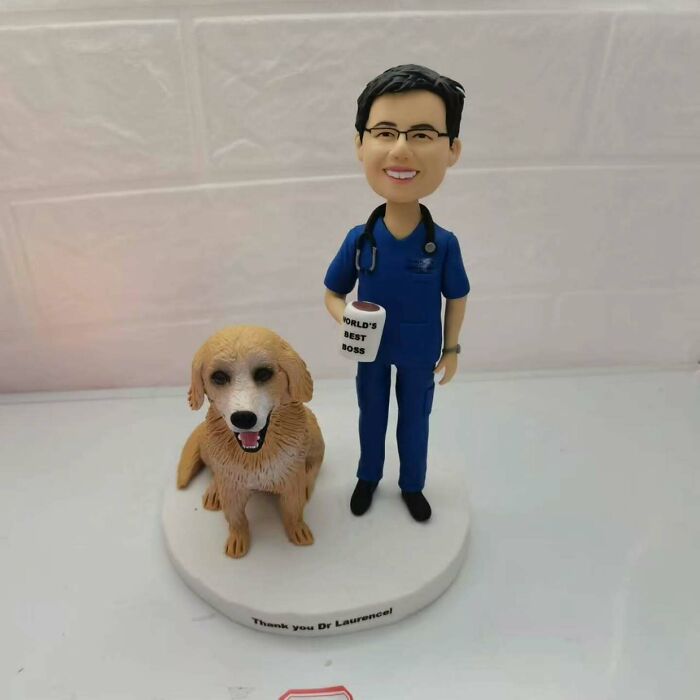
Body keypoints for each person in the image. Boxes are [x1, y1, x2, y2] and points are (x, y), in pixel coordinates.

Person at [324, 65, 470, 522]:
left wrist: (451, 349)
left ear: (452, 149)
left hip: (420, 351)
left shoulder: (443, 244)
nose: (402, 149)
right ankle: (368, 476)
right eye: (385, 132)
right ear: (360, 143)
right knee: (371, 414)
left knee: (415, 420)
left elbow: (457, 297)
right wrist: (347, 317)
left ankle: (412, 485)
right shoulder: (360, 239)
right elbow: (332, 292)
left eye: (422, 134)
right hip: (370, 350)